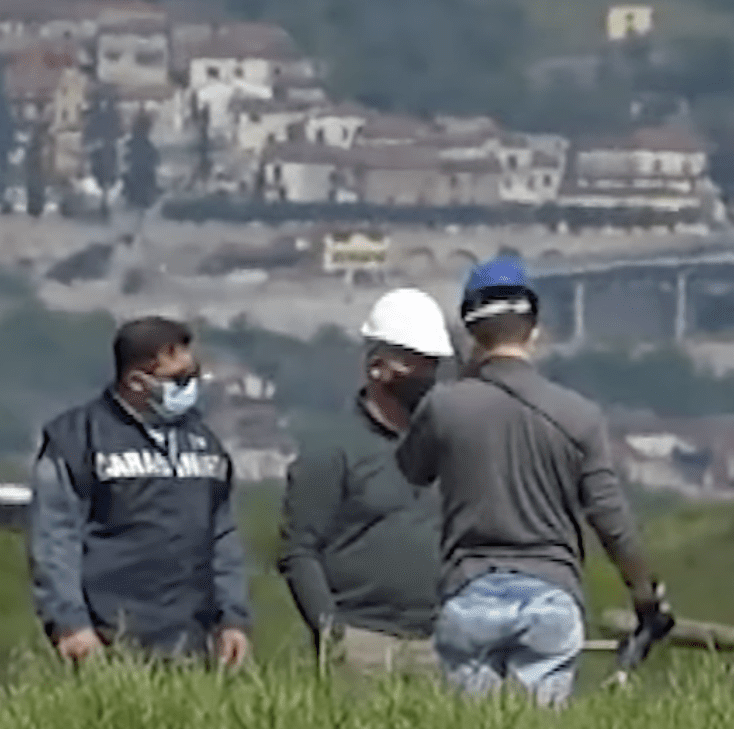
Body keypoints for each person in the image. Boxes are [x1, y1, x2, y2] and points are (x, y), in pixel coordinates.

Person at [396, 256, 668, 707]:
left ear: (469, 332)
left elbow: (412, 469)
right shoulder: (578, 415)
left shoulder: (445, 407)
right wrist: (643, 591)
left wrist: (464, 379)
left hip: (469, 589)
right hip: (550, 592)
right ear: (534, 329)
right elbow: (610, 517)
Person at [28, 316, 252, 666]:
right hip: (109, 637)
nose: (190, 386)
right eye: (178, 379)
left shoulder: (204, 443)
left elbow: (222, 535)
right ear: (136, 381)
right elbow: (56, 536)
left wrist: (233, 619)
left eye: (193, 376)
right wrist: (69, 623)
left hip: (195, 638)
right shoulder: (76, 439)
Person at [278, 288, 452, 676]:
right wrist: (330, 631)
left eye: (432, 366)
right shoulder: (332, 450)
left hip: (439, 642)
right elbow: (299, 550)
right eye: (414, 365)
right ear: (378, 367)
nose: (426, 377)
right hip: (362, 641)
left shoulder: (445, 444)